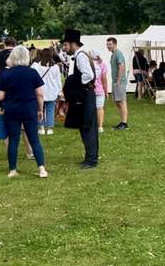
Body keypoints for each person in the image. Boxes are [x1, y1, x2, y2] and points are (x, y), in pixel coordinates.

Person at [0, 45, 48, 178]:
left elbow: (0, 96)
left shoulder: (6, 73)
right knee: (34, 139)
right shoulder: (32, 72)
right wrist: (40, 109)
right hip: (29, 108)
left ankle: (12, 170)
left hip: (12, 109)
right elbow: (40, 94)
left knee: (13, 139)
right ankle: (42, 169)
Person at [61, 29, 99, 169]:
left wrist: (74, 83)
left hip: (85, 94)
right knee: (84, 125)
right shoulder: (79, 56)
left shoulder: (81, 56)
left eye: (66, 45)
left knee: (87, 126)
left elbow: (88, 75)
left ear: (73, 44)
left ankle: (92, 159)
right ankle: (90, 156)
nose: (64, 48)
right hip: (85, 93)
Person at [31, 47, 62, 135]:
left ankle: (41, 127)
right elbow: (58, 80)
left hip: (39, 91)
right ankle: (49, 128)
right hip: (51, 91)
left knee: (39, 109)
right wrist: (59, 91)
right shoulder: (55, 67)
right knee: (50, 109)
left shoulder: (35, 66)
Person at [107, 37, 129, 130]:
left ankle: (124, 123)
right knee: (118, 102)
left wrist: (118, 81)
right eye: (107, 44)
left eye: (110, 44)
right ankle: (122, 122)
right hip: (115, 81)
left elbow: (122, 67)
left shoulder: (118, 53)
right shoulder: (113, 54)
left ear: (115, 44)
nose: (108, 46)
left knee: (122, 102)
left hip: (119, 82)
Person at [90, 50, 109, 132]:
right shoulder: (102, 64)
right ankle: (100, 127)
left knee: (90, 108)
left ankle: (91, 125)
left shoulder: (89, 64)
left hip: (90, 89)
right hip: (100, 90)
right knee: (100, 108)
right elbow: (104, 79)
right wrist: (106, 91)